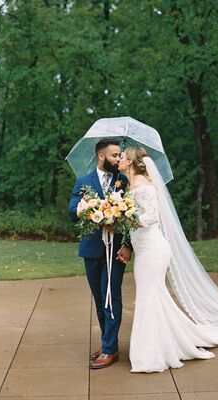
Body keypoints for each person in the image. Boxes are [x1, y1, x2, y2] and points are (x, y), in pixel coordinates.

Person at [118, 147, 218, 373]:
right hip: (144, 249)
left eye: (122, 156)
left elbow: (150, 217)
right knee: (152, 295)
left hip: (153, 249)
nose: (118, 159)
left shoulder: (143, 186)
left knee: (149, 296)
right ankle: (162, 343)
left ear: (130, 161)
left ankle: (150, 353)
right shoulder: (131, 185)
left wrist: (124, 216)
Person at [69, 139, 132, 369]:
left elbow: (131, 217)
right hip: (92, 249)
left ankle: (108, 350)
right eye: (115, 155)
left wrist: (128, 245)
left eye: (119, 155)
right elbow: (72, 213)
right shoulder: (83, 182)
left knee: (111, 296)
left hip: (116, 250)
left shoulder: (123, 181)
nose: (118, 159)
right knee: (99, 298)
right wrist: (86, 206)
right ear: (101, 157)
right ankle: (110, 344)